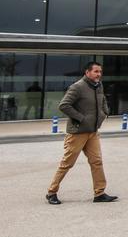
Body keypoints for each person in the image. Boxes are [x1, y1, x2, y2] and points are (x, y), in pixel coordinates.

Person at [46, 61, 117, 205]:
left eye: (100, 72)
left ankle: (100, 193)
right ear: (87, 72)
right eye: (96, 71)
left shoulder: (98, 86)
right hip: (77, 132)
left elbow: (102, 100)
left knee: (97, 162)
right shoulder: (77, 87)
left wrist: (105, 113)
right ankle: (51, 192)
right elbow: (64, 105)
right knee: (67, 163)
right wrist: (81, 118)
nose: (99, 74)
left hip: (93, 132)